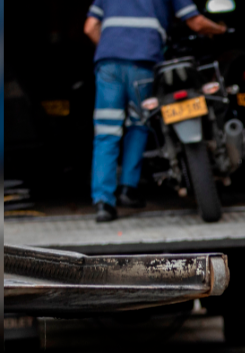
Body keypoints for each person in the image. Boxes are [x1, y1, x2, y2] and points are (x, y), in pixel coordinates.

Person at [83, 0, 225, 222]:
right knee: (139, 124)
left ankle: (103, 203)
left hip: (109, 65)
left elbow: (90, 27)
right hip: (143, 63)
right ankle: (128, 189)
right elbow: (196, 23)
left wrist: (114, 48)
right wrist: (221, 29)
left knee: (106, 132)